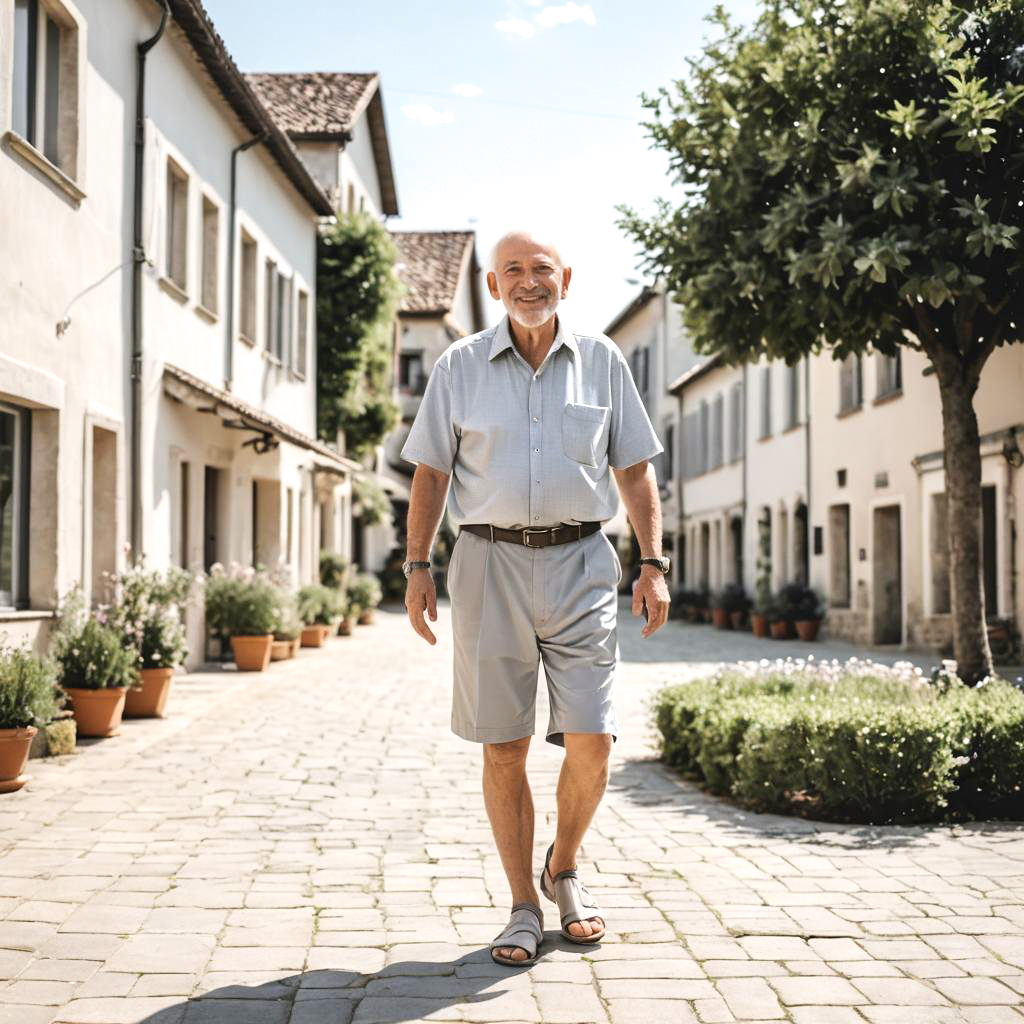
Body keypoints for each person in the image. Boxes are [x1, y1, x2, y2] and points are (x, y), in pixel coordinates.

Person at [399, 229, 671, 966]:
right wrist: (417, 566)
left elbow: (636, 470)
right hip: (487, 564)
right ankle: (522, 904)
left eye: (541, 269)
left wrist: (652, 563)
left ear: (565, 279)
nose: (528, 281)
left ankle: (565, 867)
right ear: (493, 286)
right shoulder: (458, 367)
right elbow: (430, 475)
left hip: (584, 561)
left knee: (593, 736)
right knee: (504, 744)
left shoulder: (604, 362)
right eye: (512, 270)